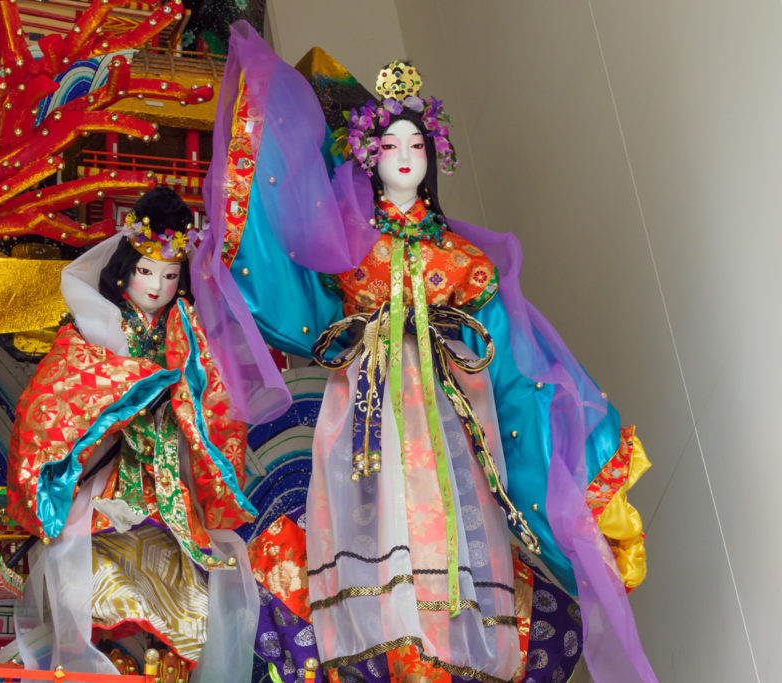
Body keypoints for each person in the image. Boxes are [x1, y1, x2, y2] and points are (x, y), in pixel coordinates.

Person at [192, 24, 655, 683]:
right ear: (367, 156)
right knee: (373, 521)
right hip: (368, 400)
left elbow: (523, 364)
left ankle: (451, 632)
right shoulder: (349, 251)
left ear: (433, 156)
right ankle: (384, 625)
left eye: (416, 144)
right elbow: (296, 287)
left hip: (452, 409)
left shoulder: (466, 262)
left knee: (459, 520)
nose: (403, 156)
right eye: (390, 144)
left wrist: (579, 454)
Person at [6, 187, 255, 675]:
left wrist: (185, 394)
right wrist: (133, 389)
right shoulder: (92, 328)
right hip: (107, 478)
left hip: (167, 485)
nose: (157, 286)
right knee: (93, 588)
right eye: (146, 271)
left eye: (169, 275)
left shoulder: (187, 331)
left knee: (198, 610)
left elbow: (218, 407)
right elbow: (56, 396)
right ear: (125, 269)